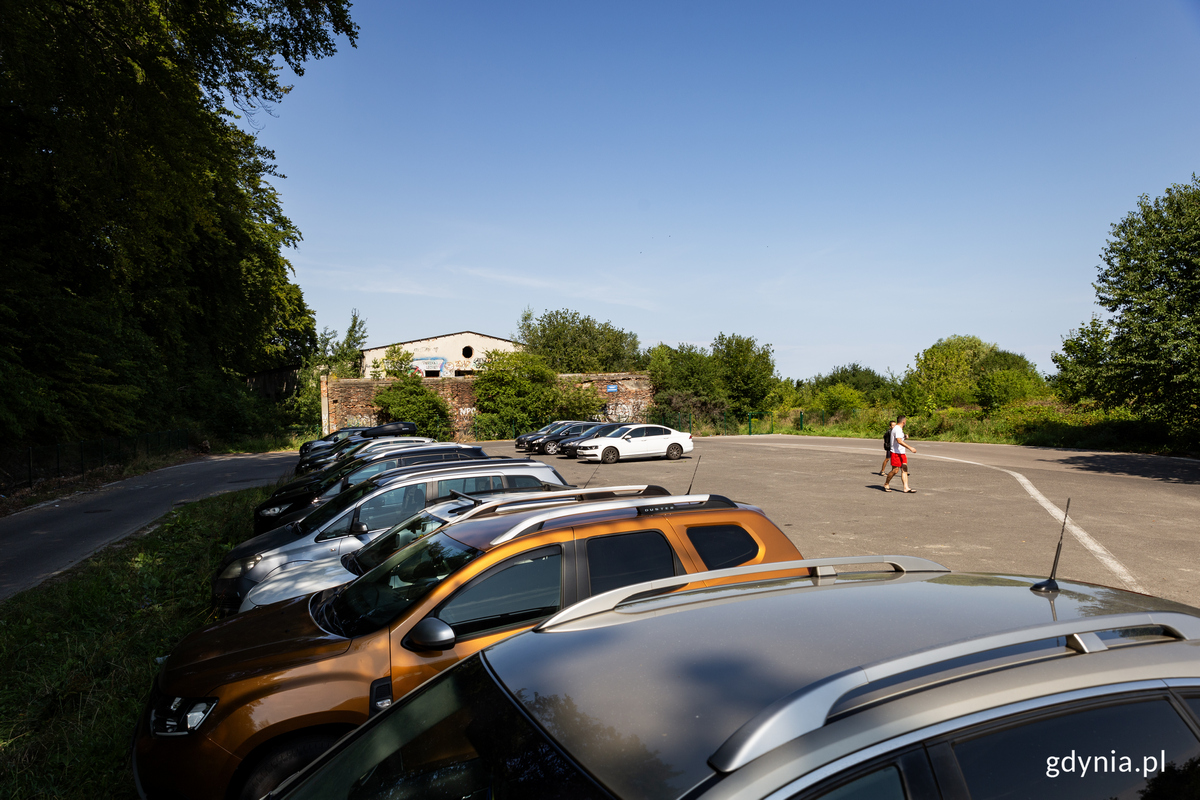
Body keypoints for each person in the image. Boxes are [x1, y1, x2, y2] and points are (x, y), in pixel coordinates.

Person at [884, 414, 917, 493]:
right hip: (896, 452)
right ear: (903, 422)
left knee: (904, 468)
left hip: (901, 452)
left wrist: (904, 437)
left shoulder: (898, 429)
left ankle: (906, 487)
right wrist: (910, 448)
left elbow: (899, 438)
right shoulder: (898, 429)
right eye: (905, 422)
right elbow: (898, 441)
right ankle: (886, 483)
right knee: (895, 470)